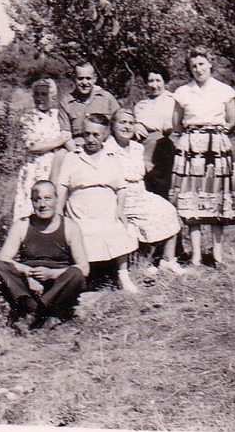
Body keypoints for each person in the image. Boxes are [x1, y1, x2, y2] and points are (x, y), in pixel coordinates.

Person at [168, 47, 235, 267]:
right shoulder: (182, 92)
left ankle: (217, 254)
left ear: (210, 64)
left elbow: (231, 120)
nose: (198, 69)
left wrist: (215, 135)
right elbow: (176, 123)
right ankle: (196, 255)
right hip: (192, 147)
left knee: (217, 197)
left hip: (217, 148)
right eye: (194, 66)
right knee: (193, 197)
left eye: (202, 64)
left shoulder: (224, 90)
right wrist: (195, 137)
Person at [0, 179, 88, 332]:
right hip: (28, 285)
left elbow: (84, 267)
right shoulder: (22, 225)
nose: (42, 204)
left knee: (76, 274)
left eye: (47, 198)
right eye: (37, 199)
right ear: (31, 202)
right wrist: (28, 274)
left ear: (56, 199)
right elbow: (2, 259)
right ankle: (34, 309)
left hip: (57, 283)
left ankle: (36, 312)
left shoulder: (70, 226)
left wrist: (52, 274)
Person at [54, 116, 139, 292]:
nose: (91, 139)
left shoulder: (111, 157)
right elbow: (62, 187)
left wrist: (119, 210)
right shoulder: (72, 157)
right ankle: (83, 278)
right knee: (81, 232)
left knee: (117, 228)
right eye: (87, 134)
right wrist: (58, 213)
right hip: (80, 209)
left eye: (96, 135)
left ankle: (123, 275)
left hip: (106, 207)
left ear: (105, 135)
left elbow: (121, 188)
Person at [111, 114, 183, 276]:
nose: (127, 127)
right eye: (122, 122)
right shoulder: (108, 148)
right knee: (141, 219)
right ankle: (143, 261)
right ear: (113, 125)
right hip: (120, 195)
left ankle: (168, 260)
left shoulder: (137, 148)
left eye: (131, 123)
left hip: (140, 192)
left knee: (168, 209)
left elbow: (143, 171)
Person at [9, 78, 71, 219]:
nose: (40, 98)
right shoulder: (29, 118)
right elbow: (32, 146)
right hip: (37, 167)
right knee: (35, 206)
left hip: (59, 165)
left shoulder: (59, 115)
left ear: (53, 96)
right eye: (37, 94)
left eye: (44, 94)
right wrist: (58, 141)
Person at [130, 70, 177, 199]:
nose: (154, 85)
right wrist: (136, 125)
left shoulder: (174, 100)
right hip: (147, 146)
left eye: (158, 81)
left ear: (164, 82)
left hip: (170, 142)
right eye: (150, 81)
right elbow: (134, 123)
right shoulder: (141, 105)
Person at [59, 61, 122, 133]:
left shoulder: (107, 98)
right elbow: (66, 135)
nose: (85, 83)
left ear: (94, 79)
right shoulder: (66, 103)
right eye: (80, 78)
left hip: (104, 143)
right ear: (73, 78)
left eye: (88, 78)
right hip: (78, 143)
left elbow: (120, 123)